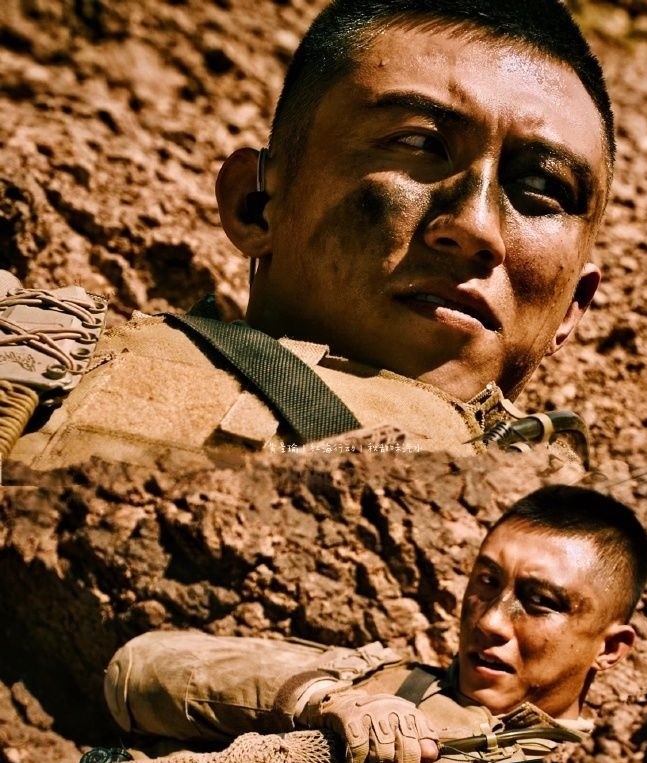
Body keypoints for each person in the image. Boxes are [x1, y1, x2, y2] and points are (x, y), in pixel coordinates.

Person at [7, 0, 613, 472]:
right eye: (418, 143)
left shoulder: (585, 543)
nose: (475, 227)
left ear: (573, 308)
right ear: (256, 206)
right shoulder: (34, 350)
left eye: (543, 187)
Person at [67, 484, 647, 763]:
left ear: (611, 647)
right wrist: (325, 700)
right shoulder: (386, 683)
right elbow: (133, 673)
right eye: (486, 582)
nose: (491, 620)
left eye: (539, 602)